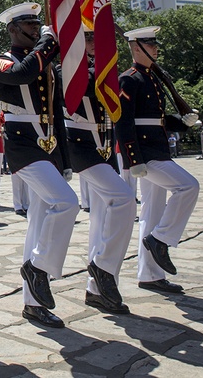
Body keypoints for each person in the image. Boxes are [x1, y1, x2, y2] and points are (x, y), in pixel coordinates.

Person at [0, 1, 78, 329]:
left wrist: (65, 160)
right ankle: (37, 268)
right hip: (23, 145)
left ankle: (33, 302)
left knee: (39, 225)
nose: (36, 29)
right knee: (67, 203)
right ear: (13, 29)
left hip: (49, 146)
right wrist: (48, 44)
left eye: (37, 24)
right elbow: (24, 73)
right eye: (29, 25)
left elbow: (56, 115)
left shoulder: (47, 66)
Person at [115, 26, 200, 295]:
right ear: (137, 48)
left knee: (152, 212)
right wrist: (132, 158)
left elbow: (158, 120)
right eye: (150, 45)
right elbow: (124, 122)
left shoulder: (152, 78)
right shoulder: (129, 79)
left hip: (157, 148)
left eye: (155, 44)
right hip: (144, 154)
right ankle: (161, 239)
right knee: (188, 186)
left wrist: (182, 123)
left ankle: (150, 274)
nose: (156, 48)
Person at [63, 27, 135, 315]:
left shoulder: (103, 68)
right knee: (124, 199)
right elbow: (90, 87)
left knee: (104, 216)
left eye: (96, 36)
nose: (94, 42)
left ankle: (97, 289)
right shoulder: (68, 69)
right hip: (80, 144)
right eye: (88, 37)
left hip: (104, 144)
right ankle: (102, 266)